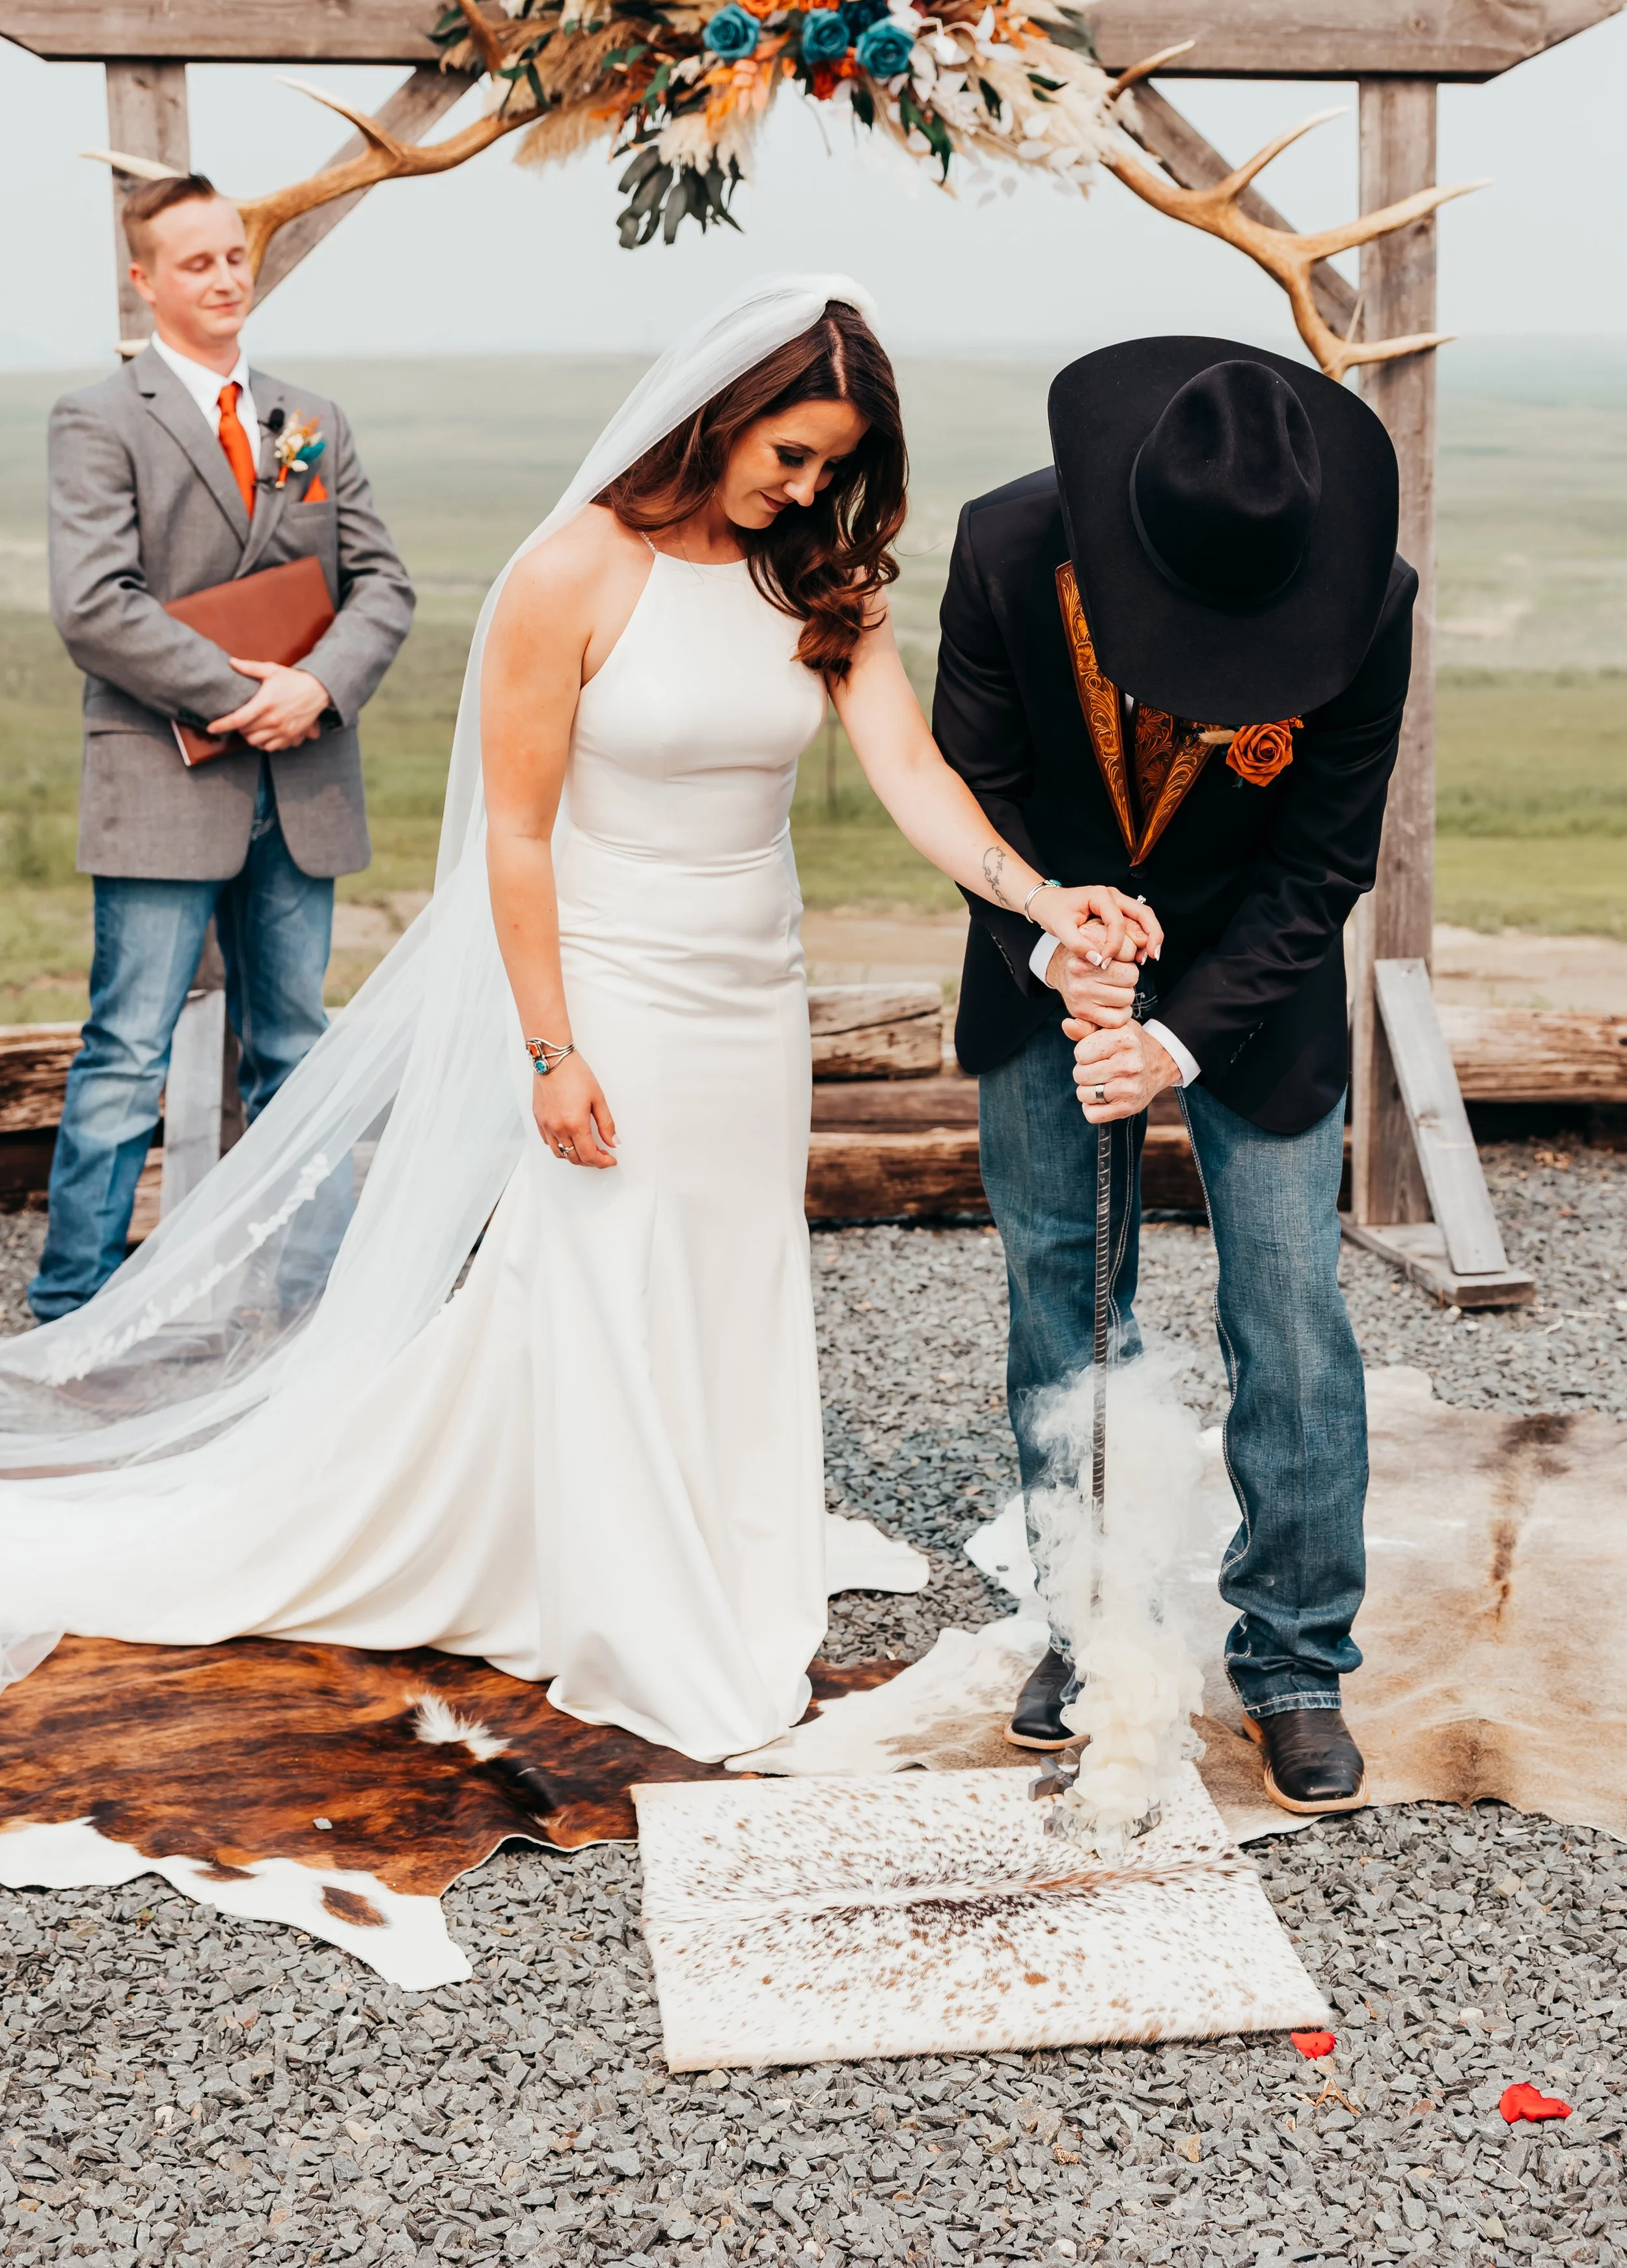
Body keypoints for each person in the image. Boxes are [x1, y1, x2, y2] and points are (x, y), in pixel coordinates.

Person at [0, 277, 1149, 1768]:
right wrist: (548, 1049)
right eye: (786, 454)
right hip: (609, 983)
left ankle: (719, 1547)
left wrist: (1043, 895)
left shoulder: (818, 584)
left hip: (754, 986)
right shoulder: (570, 573)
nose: (801, 488)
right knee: (606, 1274)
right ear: (720, 415)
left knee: (730, 1274)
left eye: (827, 467)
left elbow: (913, 777)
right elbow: (518, 838)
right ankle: (631, 1604)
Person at [933, 335, 1415, 1818]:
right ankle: (1085, 1625)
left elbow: (1322, 859)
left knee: (1288, 1312)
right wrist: (1059, 953)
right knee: (1062, 1296)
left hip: (1253, 998)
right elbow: (976, 783)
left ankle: (1289, 1657)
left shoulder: (1371, 602)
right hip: (1043, 957)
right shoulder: (1004, 548)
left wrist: (1174, 1034)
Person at [29, 172, 414, 1322]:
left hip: (301, 783)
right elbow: (95, 604)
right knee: (123, 1057)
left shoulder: (311, 419)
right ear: (144, 281)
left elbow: (382, 581)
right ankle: (73, 1312)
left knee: (298, 1051)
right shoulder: (98, 420)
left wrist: (318, 688)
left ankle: (316, 1308)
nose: (226, 277)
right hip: (161, 781)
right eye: (196, 262)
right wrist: (244, 699)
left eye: (235, 255)